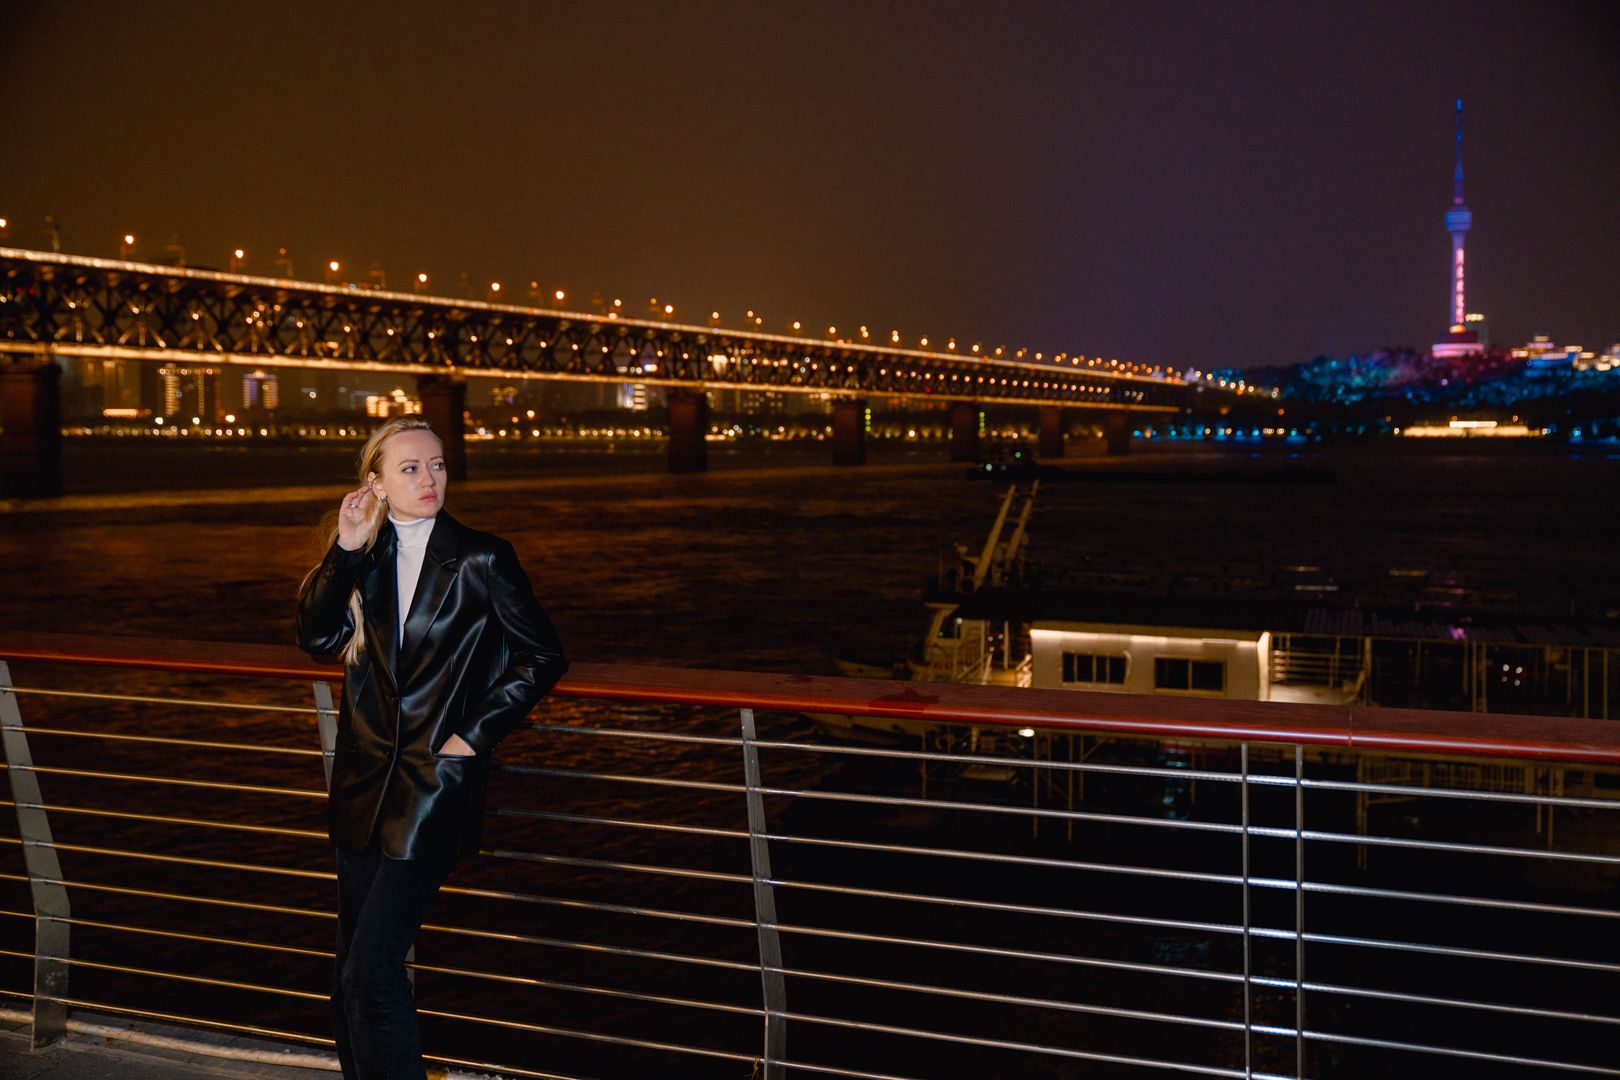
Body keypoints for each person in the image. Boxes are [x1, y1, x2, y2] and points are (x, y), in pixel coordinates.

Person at [296, 416, 568, 1080]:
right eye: (411, 468)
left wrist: (472, 737)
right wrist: (345, 548)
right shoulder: (364, 557)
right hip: (361, 788)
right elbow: (318, 639)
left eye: (438, 465)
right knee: (349, 974)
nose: (429, 479)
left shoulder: (482, 558)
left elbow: (541, 657)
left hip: (433, 790)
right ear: (377, 483)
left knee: (373, 971)